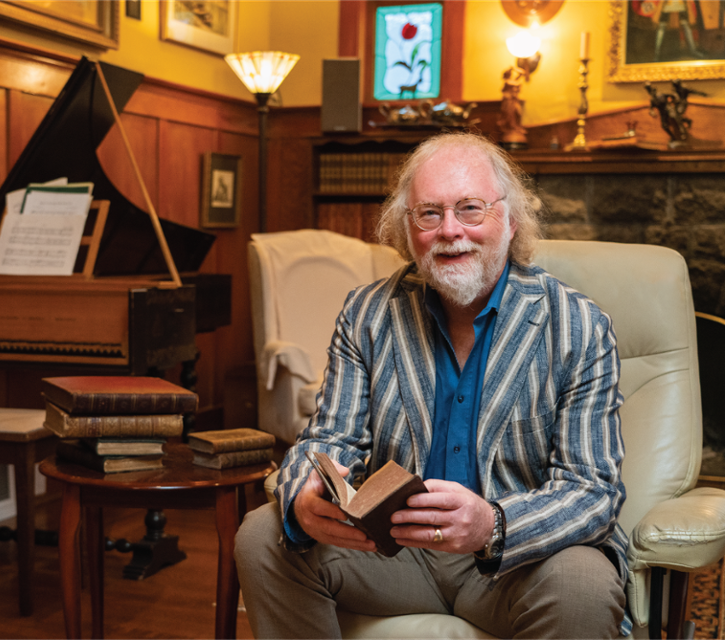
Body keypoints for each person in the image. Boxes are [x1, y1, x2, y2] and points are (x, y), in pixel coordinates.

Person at [235, 132, 629, 640]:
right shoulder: (367, 313)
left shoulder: (578, 325)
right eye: (428, 214)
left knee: (584, 584)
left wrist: (492, 524)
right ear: (407, 228)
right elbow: (328, 438)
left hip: (517, 564)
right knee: (263, 534)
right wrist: (305, 496)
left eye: (470, 209)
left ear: (510, 222)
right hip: (395, 553)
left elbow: (593, 489)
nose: (449, 231)